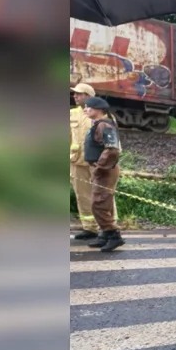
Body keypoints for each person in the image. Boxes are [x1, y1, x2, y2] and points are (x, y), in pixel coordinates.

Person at [82, 96, 125, 252]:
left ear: (99, 110)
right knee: (101, 203)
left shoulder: (104, 125)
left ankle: (114, 236)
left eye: (88, 107)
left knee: (99, 204)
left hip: (105, 170)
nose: (85, 109)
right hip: (102, 169)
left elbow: (112, 149)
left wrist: (100, 167)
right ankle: (105, 234)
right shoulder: (99, 124)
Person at [70, 83, 100, 239]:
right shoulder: (71, 114)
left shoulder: (100, 114)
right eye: (74, 94)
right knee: (82, 195)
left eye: (79, 94)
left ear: (88, 96)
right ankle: (89, 228)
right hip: (77, 161)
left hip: (97, 162)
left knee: (103, 195)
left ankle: (109, 230)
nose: (75, 96)